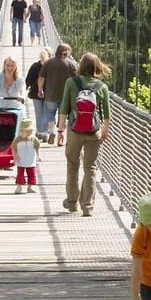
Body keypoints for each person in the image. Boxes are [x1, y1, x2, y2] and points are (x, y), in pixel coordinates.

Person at [60, 51, 112, 217]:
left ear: (80, 66)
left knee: (72, 165)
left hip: (75, 130)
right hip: (94, 131)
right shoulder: (102, 87)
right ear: (97, 66)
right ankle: (87, 207)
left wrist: (60, 130)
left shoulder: (70, 82)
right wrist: (104, 130)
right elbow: (107, 114)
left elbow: (64, 107)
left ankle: (72, 203)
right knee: (90, 167)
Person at [40, 43, 79, 146]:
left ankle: (51, 131)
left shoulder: (48, 63)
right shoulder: (71, 64)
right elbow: (78, 80)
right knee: (63, 116)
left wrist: (40, 89)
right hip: (66, 96)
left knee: (50, 114)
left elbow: (41, 78)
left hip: (50, 94)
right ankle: (60, 137)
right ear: (65, 52)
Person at [25, 48, 50, 141]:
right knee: (47, 113)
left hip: (35, 93)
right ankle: (45, 132)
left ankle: (39, 131)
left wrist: (27, 86)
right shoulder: (51, 66)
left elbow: (28, 79)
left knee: (38, 113)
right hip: (49, 93)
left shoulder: (35, 66)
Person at [12, 118, 40, 194]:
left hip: (31, 159)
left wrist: (38, 155)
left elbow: (37, 146)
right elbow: (14, 148)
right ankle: (19, 186)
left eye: (30, 131)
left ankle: (30, 186)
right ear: (21, 131)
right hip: (21, 159)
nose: (29, 133)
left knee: (32, 173)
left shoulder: (33, 139)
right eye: (27, 131)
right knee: (20, 174)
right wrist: (15, 157)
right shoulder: (18, 139)